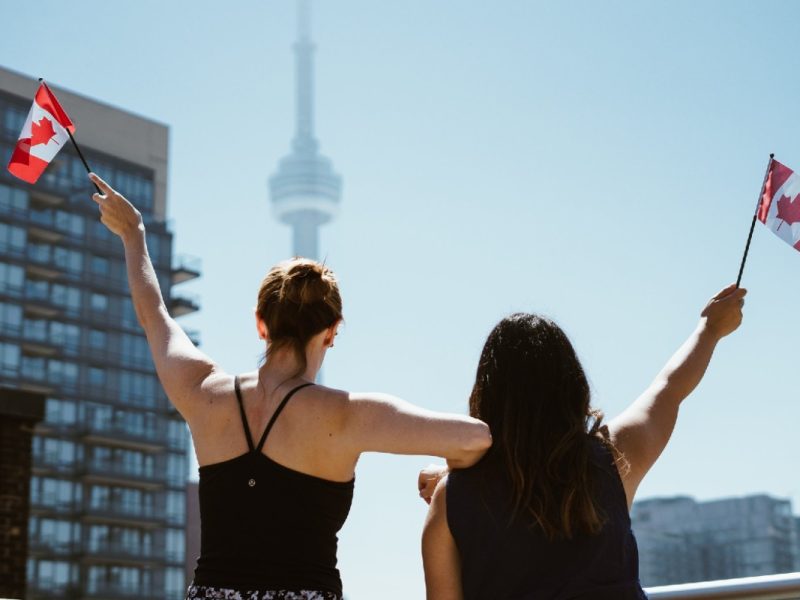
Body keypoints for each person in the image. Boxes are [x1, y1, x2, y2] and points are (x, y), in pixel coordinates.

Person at [88, 172, 492, 600]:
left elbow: (154, 316)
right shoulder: (349, 415)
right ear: (332, 331)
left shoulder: (203, 392)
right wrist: (446, 476)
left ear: (260, 323)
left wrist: (134, 234)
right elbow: (476, 439)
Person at [419, 285, 746, 599]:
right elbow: (668, 388)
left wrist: (454, 483)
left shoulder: (451, 500)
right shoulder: (614, 458)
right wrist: (709, 329)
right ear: (572, 386)